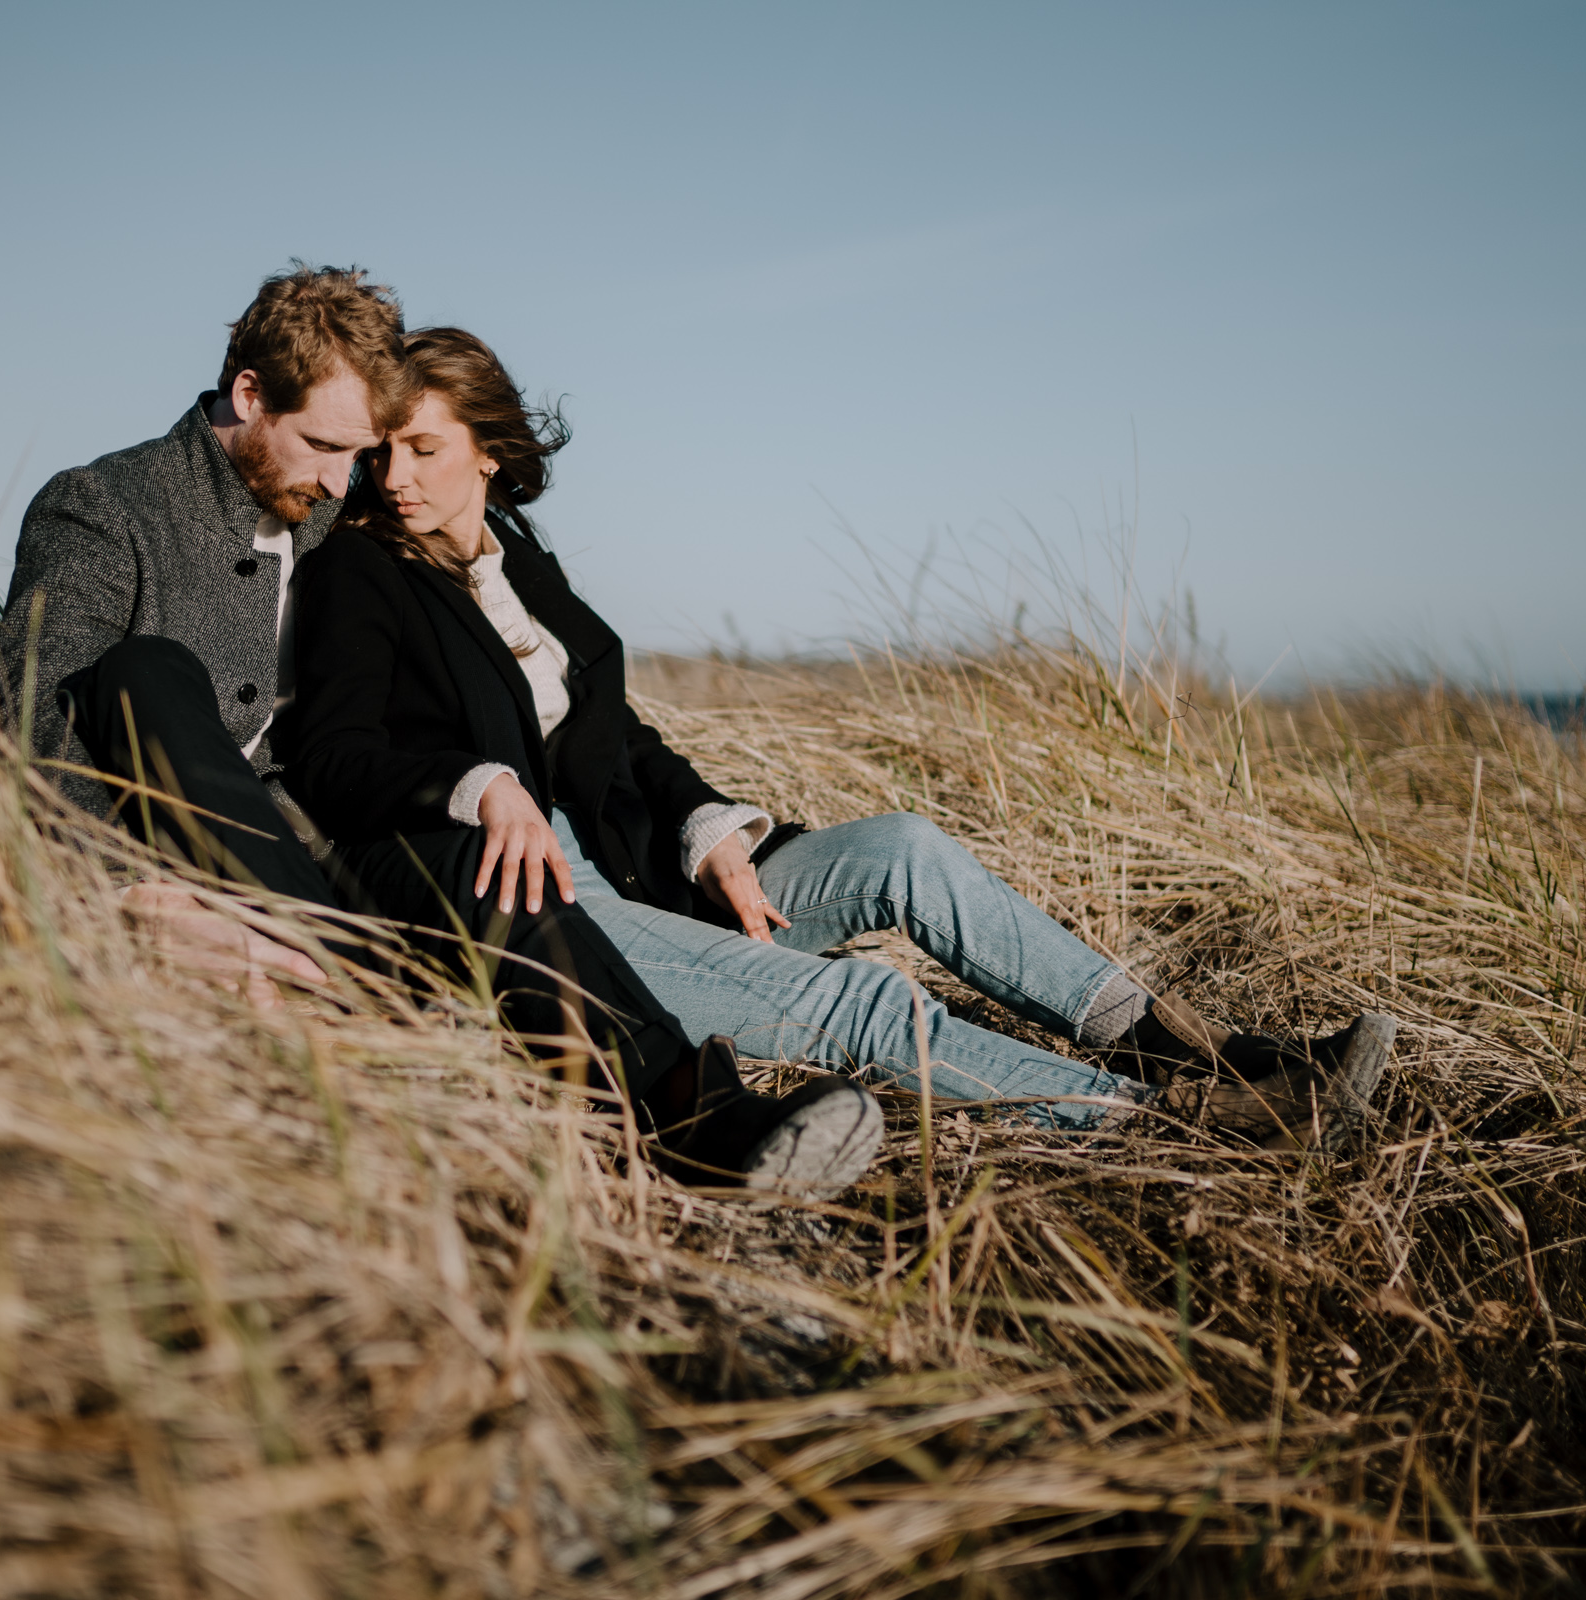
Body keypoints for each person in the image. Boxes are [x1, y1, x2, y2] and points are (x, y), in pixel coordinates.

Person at [279, 328, 1399, 1151]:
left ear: (488, 448)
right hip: (565, 909)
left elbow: (612, 730)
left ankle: (1183, 1046)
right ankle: (1180, 1126)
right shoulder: (358, 572)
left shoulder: (522, 560)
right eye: (384, 453)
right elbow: (331, 751)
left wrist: (713, 829)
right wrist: (478, 787)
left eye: (422, 449)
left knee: (905, 846)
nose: (393, 476)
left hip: (650, 866)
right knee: (864, 1006)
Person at [0, 265, 882, 1197]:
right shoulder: (104, 507)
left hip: (343, 840)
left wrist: (502, 778)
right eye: (328, 446)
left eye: (363, 452)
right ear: (249, 394)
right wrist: (130, 899)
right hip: (202, 841)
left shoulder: (340, 499)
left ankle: (692, 1117)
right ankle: (356, 983)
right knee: (144, 671)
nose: (349, 483)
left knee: (490, 859)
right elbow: (33, 735)